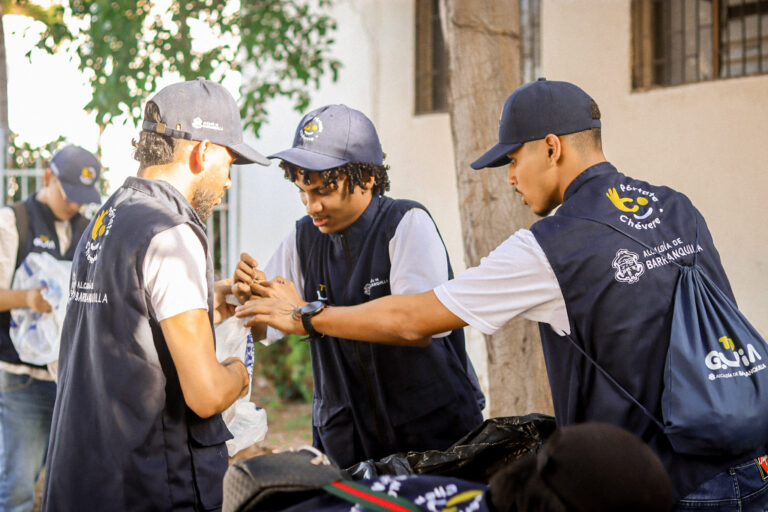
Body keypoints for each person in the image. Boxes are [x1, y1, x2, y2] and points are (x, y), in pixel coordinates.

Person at [235, 79, 768, 509]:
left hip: (661, 487)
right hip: (750, 461)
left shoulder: (552, 246)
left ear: (552, 148)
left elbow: (415, 319)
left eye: (513, 159)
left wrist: (308, 317)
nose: (510, 177)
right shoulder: (677, 206)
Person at [42, 78, 268, 511]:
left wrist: (206, 307)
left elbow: (127, 329)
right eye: (229, 162)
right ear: (202, 151)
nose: (229, 182)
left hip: (89, 480)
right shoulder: (171, 230)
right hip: (149, 487)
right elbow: (204, 394)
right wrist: (240, 372)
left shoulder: (110, 216)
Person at [233, 104, 484, 469]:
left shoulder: (406, 223)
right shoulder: (304, 238)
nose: (312, 205)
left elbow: (415, 327)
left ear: (366, 177)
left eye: (323, 191)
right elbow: (266, 327)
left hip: (433, 446)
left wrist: (306, 314)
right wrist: (248, 301)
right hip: (347, 444)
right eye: (303, 191)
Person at [0, 145, 101, 512]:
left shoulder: (86, 230)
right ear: (47, 177)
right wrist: (28, 299)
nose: (75, 205)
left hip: (70, 380)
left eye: (83, 198)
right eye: (69, 194)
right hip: (22, 380)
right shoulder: (13, 222)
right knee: (19, 489)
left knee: (67, 485)